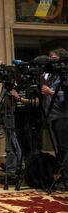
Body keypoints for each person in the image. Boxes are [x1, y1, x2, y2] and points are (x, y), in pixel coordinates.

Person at [41, 48, 68, 188]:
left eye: (54, 57)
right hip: (51, 114)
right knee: (60, 147)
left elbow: (65, 95)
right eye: (50, 57)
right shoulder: (50, 76)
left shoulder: (65, 76)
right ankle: (63, 176)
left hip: (63, 114)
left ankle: (66, 178)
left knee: (64, 147)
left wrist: (51, 92)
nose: (51, 59)